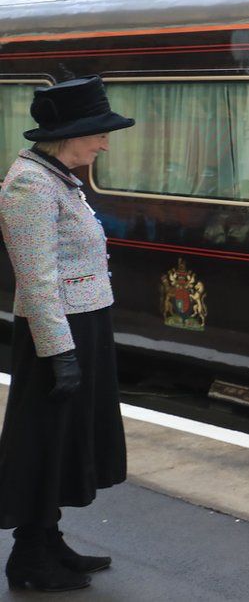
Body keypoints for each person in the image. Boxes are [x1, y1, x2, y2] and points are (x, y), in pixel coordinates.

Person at [0, 76, 134, 592]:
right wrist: (61, 354)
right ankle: (28, 557)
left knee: (65, 440)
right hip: (56, 335)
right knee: (45, 441)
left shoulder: (57, 178)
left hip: (83, 326)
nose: (104, 143)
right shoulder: (29, 185)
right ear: (69, 136)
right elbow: (36, 277)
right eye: (98, 133)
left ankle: (48, 539)